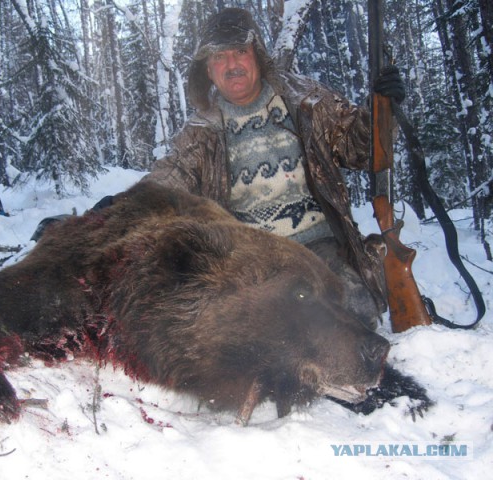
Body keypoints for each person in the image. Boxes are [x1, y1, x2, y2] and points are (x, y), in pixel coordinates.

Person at [102, 8, 406, 328]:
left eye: (240, 52)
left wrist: (384, 109)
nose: (232, 65)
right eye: (219, 57)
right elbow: (166, 182)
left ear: (257, 55)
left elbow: (362, 150)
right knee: (261, 342)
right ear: (208, 69)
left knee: (352, 320)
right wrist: (113, 212)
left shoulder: (308, 100)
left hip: (323, 251)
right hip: (252, 263)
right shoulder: (200, 132)